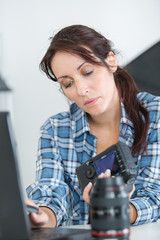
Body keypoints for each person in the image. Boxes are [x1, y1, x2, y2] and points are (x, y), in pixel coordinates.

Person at [26, 24, 160, 228]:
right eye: (67, 83)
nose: (81, 90)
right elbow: (51, 192)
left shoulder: (155, 114)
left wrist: (117, 210)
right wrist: (42, 217)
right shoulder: (55, 129)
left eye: (87, 72)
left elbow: (155, 194)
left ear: (111, 62)